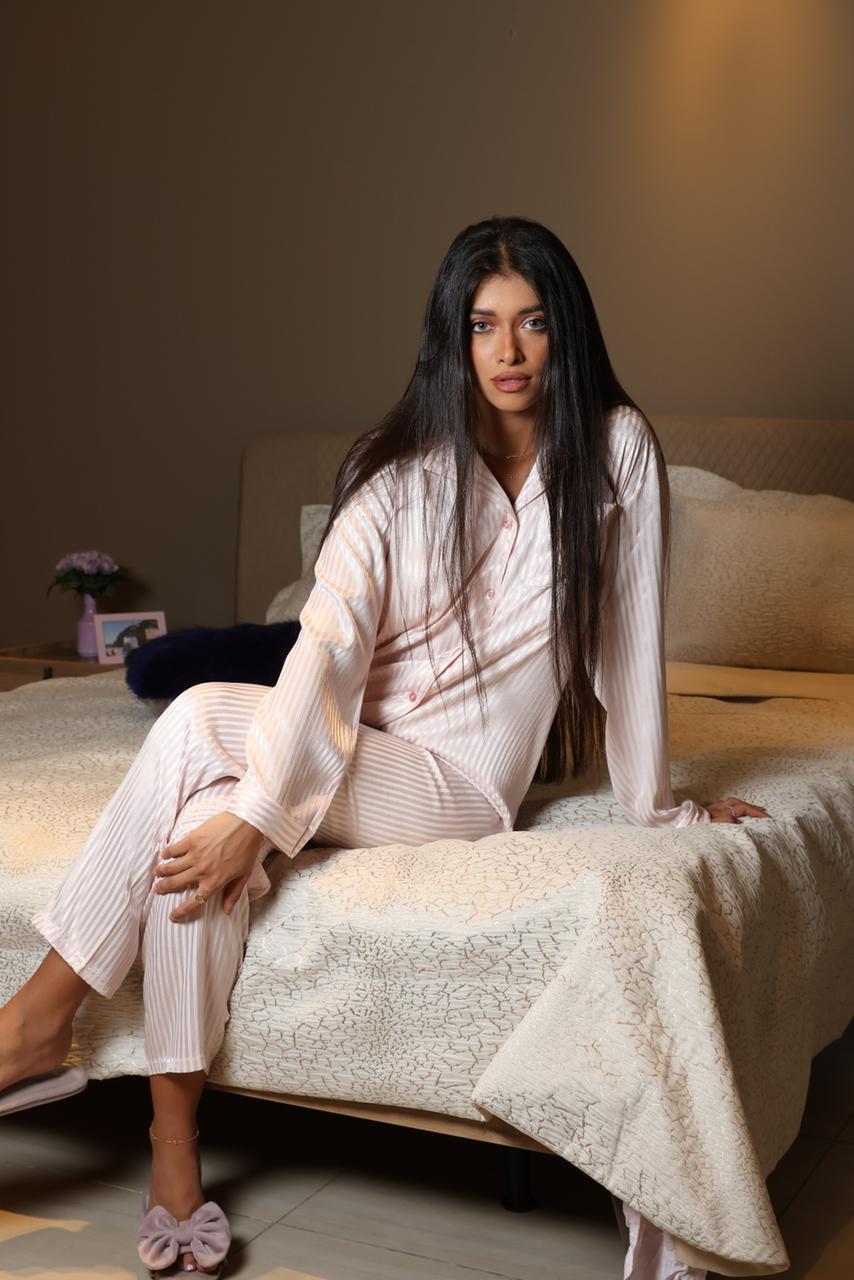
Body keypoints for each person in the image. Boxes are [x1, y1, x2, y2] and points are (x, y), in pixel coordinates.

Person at [0, 216, 769, 1277]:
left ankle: (38, 1017)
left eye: (531, 325)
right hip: (354, 749)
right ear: (449, 339)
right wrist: (256, 811)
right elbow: (326, 638)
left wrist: (657, 804)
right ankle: (171, 1145)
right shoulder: (398, 475)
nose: (506, 352)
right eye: (482, 325)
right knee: (190, 824)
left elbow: (626, 644)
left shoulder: (615, 450)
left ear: (564, 334)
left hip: (456, 787)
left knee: (196, 721)